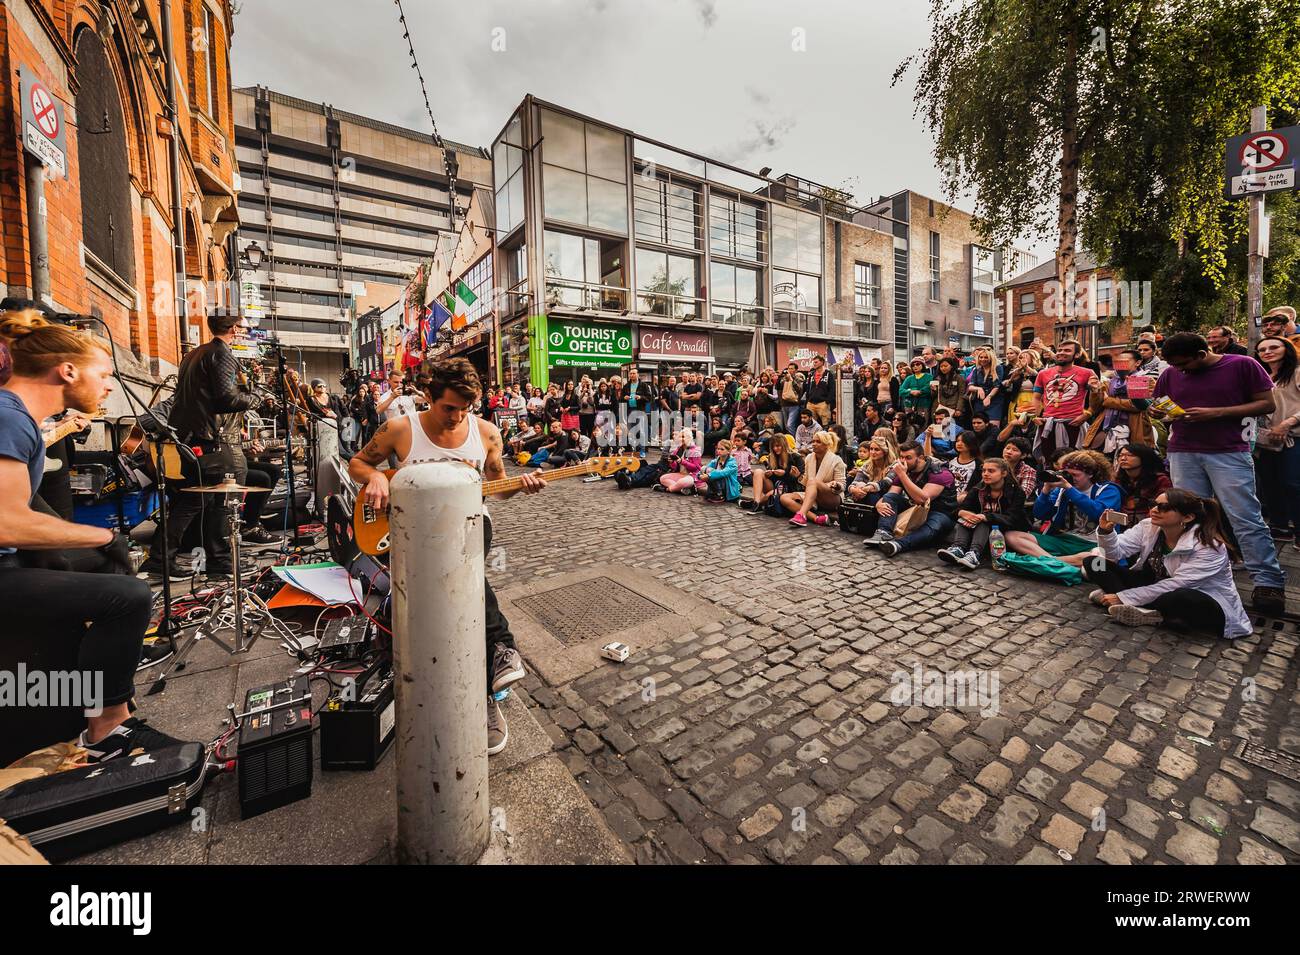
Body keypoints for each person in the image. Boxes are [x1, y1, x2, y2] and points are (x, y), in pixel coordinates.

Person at [0, 311, 190, 761]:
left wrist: (101, 546)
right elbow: (7, 522)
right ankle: (106, 730)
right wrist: (99, 537)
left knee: (112, 566)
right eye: (103, 374)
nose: (108, 386)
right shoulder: (10, 418)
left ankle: (99, 693)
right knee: (126, 596)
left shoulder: (20, 418)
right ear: (66, 370)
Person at [348, 358, 540, 755]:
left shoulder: (486, 433)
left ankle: (492, 674)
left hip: (470, 523)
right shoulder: (401, 429)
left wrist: (521, 488)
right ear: (429, 397)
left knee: (462, 569)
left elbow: (498, 488)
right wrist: (379, 475)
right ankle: (473, 664)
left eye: (464, 409)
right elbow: (358, 463)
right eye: (448, 408)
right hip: (409, 529)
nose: (456, 417)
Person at [1153, 332, 1285, 612]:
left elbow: (1267, 404)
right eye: (1174, 365)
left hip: (1228, 450)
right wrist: (1159, 412)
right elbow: (1161, 405)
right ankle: (1194, 573)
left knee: (1244, 516)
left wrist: (1216, 413)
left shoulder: (1242, 365)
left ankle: (1268, 581)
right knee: (1190, 518)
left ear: (1202, 354)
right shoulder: (1171, 373)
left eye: (1184, 364)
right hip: (1183, 449)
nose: (1179, 370)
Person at [139, 313, 261, 580]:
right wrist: (253, 397)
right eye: (243, 327)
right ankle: (220, 561)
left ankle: (160, 559)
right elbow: (226, 398)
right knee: (223, 502)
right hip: (217, 441)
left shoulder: (194, 355)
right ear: (233, 328)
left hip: (195, 439)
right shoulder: (222, 354)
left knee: (191, 502)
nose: (245, 332)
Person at [1084, 489, 1252, 639]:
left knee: (1179, 596)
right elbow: (1116, 553)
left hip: (1199, 597)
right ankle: (1144, 609)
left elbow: (1176, 584)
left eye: (1164, 507)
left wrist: (1124, 596)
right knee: (1094, 562)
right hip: (1155, 584)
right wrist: (1106, 532)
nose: (1154, 510)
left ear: (1187, 517)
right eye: (1154, 504)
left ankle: (1136, 605)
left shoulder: (1209, 547)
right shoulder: (1148, 526)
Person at [1004, 449, 1121, 561]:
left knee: (1098, 562)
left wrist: (1070, 489)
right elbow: (1040, 514)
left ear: (1090, 474)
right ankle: (1056, 561)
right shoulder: (1062, 489)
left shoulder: (1108, 490)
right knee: (1011, 536)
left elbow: (1098, 513)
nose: (1070, 478)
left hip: (1092, 543)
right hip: (1063, 539)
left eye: (1075, 475)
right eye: (1067, 474)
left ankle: (1049, 559)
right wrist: (1045, 491)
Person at [862, 440, 959, 557]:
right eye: (901, 457)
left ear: (921, 457)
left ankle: (898, 545)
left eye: (908, 458)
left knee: (933, 526)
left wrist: (902, 475)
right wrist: (879, 504)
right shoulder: (905, 470)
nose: (903, 461)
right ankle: (884, 532)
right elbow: (891, 494)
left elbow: (923, 499)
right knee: (889, 497)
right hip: (916, 509)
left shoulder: (940, 472)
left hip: (940, 512)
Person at [939, 457, 1030, 569]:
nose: (986, 474)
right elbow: (958, 510)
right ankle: (958, 548)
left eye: (991, 471)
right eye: (984, 470)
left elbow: (1012, 518)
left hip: (1005, 532)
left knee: (984, 520)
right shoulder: (979, 488)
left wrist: (986, 516)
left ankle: (974, 554)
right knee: (968, 517)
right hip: (978, 529)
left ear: (1004, 473)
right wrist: (963, 513)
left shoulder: (1016, 492)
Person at [1253, 335, 1300, 546]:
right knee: (1270, 484)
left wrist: (1289, 422)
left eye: (1273, 347)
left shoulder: (1297, 372)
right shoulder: (1261, 376)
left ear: (1287, 348)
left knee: (1293, 484)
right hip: (1265, 439)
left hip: (1292, 436)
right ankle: (1280, 526)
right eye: (1262, 350)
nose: (1267, 352)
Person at [1029, 339, 1096, 461]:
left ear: (1076, 355)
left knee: (1075, 462)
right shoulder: (1043, 374)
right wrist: (1035, 417)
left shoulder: (1087, 373)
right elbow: (1036, 398)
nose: (1061, 353)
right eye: (1059, 350)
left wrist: (1087, 415)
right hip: (1048, 424)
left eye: (1067, 350)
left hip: (1074, 423)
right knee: (1049, 462)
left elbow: (1100, 397)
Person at [1082, 347, 1154, 455]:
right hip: (1106, 429)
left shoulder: (1145, 380)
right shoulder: (1109, 382)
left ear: (1138, 362)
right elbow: (1096, 407)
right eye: (1119, 361)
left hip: (1135, 430)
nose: (1121, 364)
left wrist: (1108, 401)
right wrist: (1095, 391)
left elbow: (1137, 406)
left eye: (1125, 361)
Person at [784, 430, 846, 527]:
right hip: (814, 496)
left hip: (832, 497)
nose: (814, 444)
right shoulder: (809, 458)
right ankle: (816, 518)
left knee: (813, 481)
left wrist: (836, 485)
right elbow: (807, 483)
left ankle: (801, 515)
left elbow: (842, 485)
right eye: (813, 441)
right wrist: (798, 476)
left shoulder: (836, 460)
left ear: (826, 445)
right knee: (784, 498)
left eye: (818, 442)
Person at [1114, 442, 1172, 526]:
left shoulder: (1160, 480)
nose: (1123, 458)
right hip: (1120, 522)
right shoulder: (1118, 479)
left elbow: (1162, 506)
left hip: (1149, 522)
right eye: (1120, 455)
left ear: (1143, 458)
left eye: (1129, 455)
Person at [750, 432, 802, 514]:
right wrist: (770, 474)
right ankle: (756, 502)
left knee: (770, 494)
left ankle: (755, 504)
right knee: (758, 471)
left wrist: (785, 474)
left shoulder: (796, 457)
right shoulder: (772, 457)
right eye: (773, 447)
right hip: (776, 485)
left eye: (778, 446)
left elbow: (799, 479)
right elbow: (773, 478)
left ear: (784, 445)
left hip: (789, 488)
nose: (775, 449)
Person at [966, 348, 1005, 429]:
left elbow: (997, 386)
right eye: (981, 357)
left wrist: (989, 397)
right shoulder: (977, 369)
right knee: (978, 426)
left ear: (991, 358)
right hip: (979, 401)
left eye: (986, 357)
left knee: (993, 427)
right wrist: (979, 389)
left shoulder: (998, 368)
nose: (983, 359)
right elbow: (970, 386)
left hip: (995, 401)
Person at [657, 429, 704, 495]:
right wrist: (672, 462)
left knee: (682, 482)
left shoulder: (695, 451)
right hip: (681, 474)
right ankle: (682, 489)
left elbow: (696, 468)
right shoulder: (678, 449)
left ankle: (668, 489)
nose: (681, 439)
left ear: (689, 438)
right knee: (663, 478)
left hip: (692, 476)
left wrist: (683, 461)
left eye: (683, 437)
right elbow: (675, 467)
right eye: (680, 437)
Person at [702, 439, 742, 503]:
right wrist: (700, 475)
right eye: (718, 449)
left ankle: (720, 495)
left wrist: (709, 475)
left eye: (722, 449)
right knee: (704, 468)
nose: (719, 451)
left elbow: (723, 473)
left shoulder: (732, 463)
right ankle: (715, 493)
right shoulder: (717, 460)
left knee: (712, 472)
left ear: (728, 451)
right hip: (721, 485)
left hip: (729, 488)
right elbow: (706, 468)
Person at [802, 354, 836, 426]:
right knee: (811, 424)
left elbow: (832, 388)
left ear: (822, 362)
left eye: (816, 362)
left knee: (826, 424)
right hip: (811, 403)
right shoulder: (811, 374)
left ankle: (825, 437)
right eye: (813, 362)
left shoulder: (828, 373)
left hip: (823, 403)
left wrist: (827, 401)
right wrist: (808, 400)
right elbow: (807, 387)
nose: (814, 364)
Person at [1001, 436, 1039, 501]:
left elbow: (1024, 495)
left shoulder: (1029, 471)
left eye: (1014, 450)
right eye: (1007, 448)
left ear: (1023, 455)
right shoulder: (995, 466)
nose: (1009, 452)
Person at [931, 357, 968, 424]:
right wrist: (934, 390)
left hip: (953, 408)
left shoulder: (959, 378)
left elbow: (962, 394)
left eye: (945, 366)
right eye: (941, 366)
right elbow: (934, 395)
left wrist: (959, 409)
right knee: (939, 429)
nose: (943, 368)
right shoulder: (937, 379)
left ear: (951, 366)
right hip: (940, 408)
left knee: (951, 430)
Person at [777, 362, 805, 433]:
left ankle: (794, 442)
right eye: (789, 368)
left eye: (792, 369)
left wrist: (792, 380)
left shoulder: (798, 379)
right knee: (786, 426)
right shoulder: (784, 379)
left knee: (790, 425)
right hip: (784, 404)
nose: (790, 370)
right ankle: (791, 440)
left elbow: (800, 390)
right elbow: (778, 388)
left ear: (796, 370)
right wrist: (781, 377)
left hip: (794, 405)